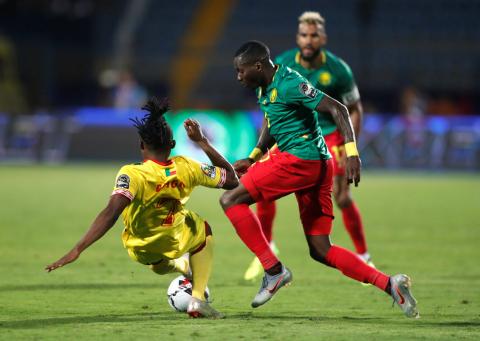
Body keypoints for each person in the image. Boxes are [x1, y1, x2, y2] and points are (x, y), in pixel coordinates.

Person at [220, 40, 418, 318]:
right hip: (317, 165)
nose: (238, 77)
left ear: (258, 65)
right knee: (320, 248)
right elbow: (272, 121)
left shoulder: (290, 83)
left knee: (230, 199)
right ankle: (389, 284)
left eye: (241, 71)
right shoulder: (265, 86)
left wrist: (351, 152)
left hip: (300, 159)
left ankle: (273, 270)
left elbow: (339, 108)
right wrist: (253, 156)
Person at [45, 97, 238, 319]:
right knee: (203, 230)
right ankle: (197, 299)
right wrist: (202, 142)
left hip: (141, 248)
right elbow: (232, 180)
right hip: (174, 237)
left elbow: (111, 213)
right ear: (172, 145)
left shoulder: (132, 174)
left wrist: (77, 249)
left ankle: (182, 267)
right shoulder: (188, 166)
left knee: (158, 263)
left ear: (141, 145)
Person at [243, 11, 373, 282]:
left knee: (343, 197)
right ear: (297, 37)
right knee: (261, 191)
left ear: (323, 38)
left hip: (332, 136)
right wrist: (257, 152)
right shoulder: (281, 63)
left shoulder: (339, 70)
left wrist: (352, 149)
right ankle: (267, 248)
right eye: (304, 35)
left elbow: (352, 108)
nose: (309, 40)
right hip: (295, 135)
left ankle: (363, 254)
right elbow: (272, 110)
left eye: (314, 35)